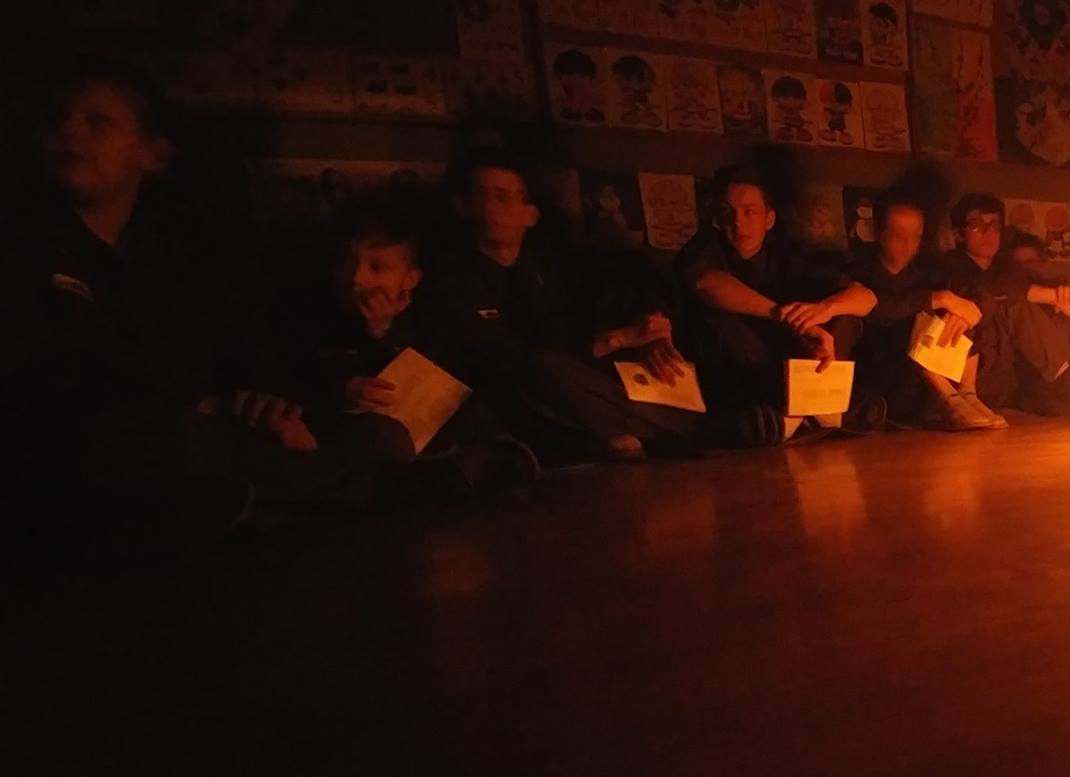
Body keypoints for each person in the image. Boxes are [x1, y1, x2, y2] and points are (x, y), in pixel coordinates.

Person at [5, 58, 368, 552]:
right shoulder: (25, 245)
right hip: (84, 451)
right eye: (58, 120)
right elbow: (56, 378)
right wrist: (197, 405)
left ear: (151, 154)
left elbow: (237, 348)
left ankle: (266, 498)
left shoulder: (180, 258)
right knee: (163, 443)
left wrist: (264, 400)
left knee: (368, 431)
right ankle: (318, 494)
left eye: (97, 122)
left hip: (191, 433)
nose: (70, 132)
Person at [418, 149, 703, 460]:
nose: (490, 207)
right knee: (537, 373)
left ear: (530, 214)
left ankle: (651, 431)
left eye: (503, 197)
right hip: (513, 398)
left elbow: (631, 283)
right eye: (480, 195)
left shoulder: (556, 264)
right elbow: (506, 358)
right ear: (462, 206)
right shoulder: (450, 278)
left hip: (578, 392)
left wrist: (652, 327)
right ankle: (648, 435)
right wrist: (614, 339)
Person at [283, 195, 538, 498]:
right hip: (347, 427)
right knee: (382, 437)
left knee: (476, 414)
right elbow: (290, 377)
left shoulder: (427, 314)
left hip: (420, 426)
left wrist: (384, 333)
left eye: (377, 268)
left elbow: (448, 371)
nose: (357, 278)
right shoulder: (309, 313)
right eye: (346, 263)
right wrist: (341, 390)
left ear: (410, 279)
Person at [674, 165, 878, 437]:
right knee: (720, 321)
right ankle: (801, 414)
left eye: (749, 212)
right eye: (728, 212)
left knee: (846, 317)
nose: (738, 223)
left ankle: (813, 406)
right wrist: (782, 315)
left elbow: (867, 298)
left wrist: (824, 310)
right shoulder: (705, 248)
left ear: (769, 219)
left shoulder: (786, 255)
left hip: (791, 365)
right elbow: (705, 283)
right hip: (740, 374)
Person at [843, 190, 1004, 431]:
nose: (908, 245)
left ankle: (968, 393)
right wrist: (939, 299)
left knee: (958, 314)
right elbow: (881, 307)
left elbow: (980, 293)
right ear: (879, 233)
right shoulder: (861, 271)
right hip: (889, 378)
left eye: (915, 236)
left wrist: (965, 310)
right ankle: (950, 400)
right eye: (899, 236)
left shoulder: (928, 269)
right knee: (920, 317)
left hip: (930, 381)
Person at [939, 193, 1070, 413]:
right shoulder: (949, 269)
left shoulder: (1005, 271)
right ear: (959, 234)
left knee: (1044, 310)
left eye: (994, 225)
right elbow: (994, 290)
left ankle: (1067, 384)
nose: (988, 233)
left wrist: (1066, 297)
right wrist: (1052, 296)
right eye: (976, 226)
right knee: (1014, 306)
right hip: (969, 375)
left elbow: (1014, 286)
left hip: (1007, 374)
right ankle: (1068, 383)